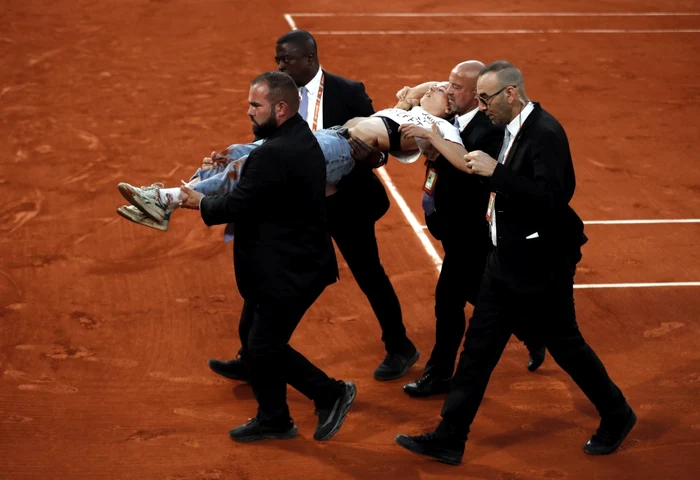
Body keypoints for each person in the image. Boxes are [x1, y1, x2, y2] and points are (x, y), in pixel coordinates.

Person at [395, 61, 636, 465]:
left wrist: (497, 173)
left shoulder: (545, 134)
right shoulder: (508, 125)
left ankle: (617, 413)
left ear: (511, 94)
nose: (482, 106)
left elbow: (553, 199)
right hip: (503, 258)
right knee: (477, 351)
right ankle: (450, 438)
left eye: (487, 99)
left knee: (565, 344)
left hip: (542, 262)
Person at [178, 71, 355, 442]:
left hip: (291, 271)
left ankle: (330, 393)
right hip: (283, 263)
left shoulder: (275, 153)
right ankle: (274, 417)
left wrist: (200, 201)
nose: (249, 112)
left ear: (280, 108)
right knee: (252, 336)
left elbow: (238, 204)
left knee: (264, 345)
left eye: (255, 105)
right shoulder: (297, 136)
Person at [394, 62, 547, 400]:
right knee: (477, 293)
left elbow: (467, 164)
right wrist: (416, 94)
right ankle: (532, 330)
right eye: (448, 85)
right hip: (451, 226)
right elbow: (433, 87)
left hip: (471, 229)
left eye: (457, 88)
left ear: (478, 94)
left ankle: (438, 375)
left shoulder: (488, 129)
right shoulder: (452, 111)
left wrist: (433, 131)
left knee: (447, 302)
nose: (449, 91)